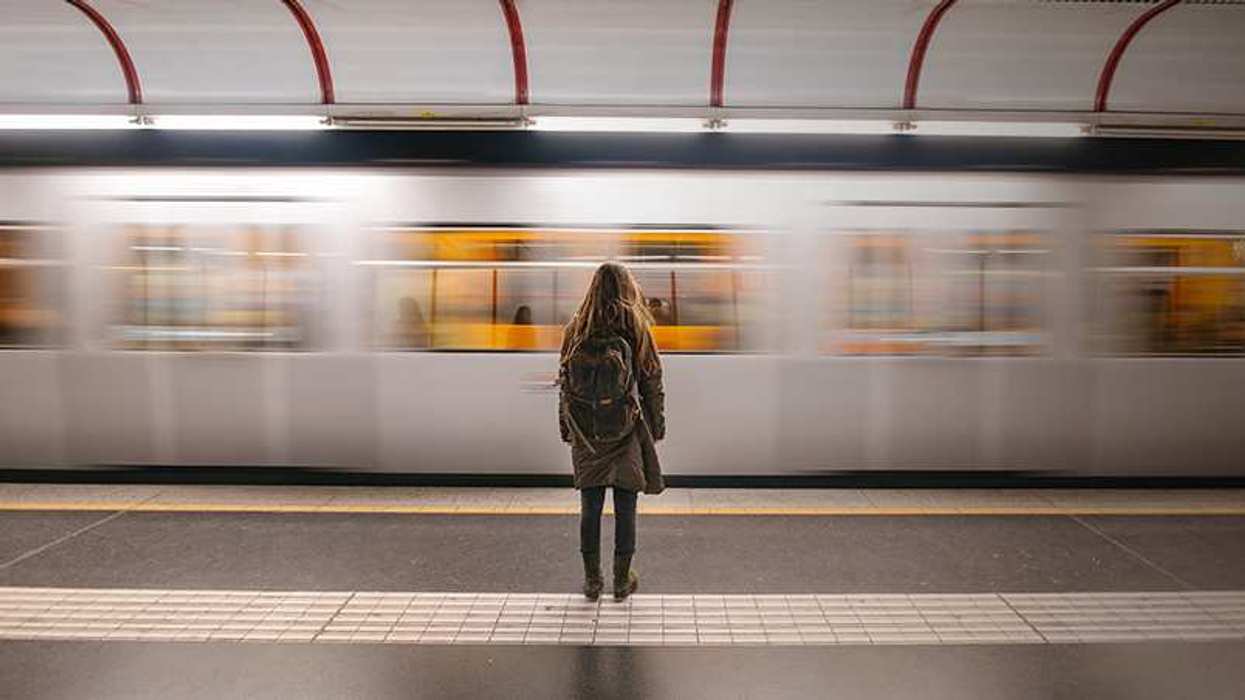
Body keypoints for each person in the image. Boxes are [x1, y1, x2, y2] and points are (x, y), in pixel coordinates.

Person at [558, 262, 665, 601]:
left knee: (589, 507)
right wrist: (657, 425)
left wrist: (567, 428)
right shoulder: (635, 326)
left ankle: (592, 580)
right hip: (625, 430)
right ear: (626, 288)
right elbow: (652, 380)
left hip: (586, 431)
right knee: (625, 504)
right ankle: (621, 580)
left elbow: (564, 385)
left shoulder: (576, 328)